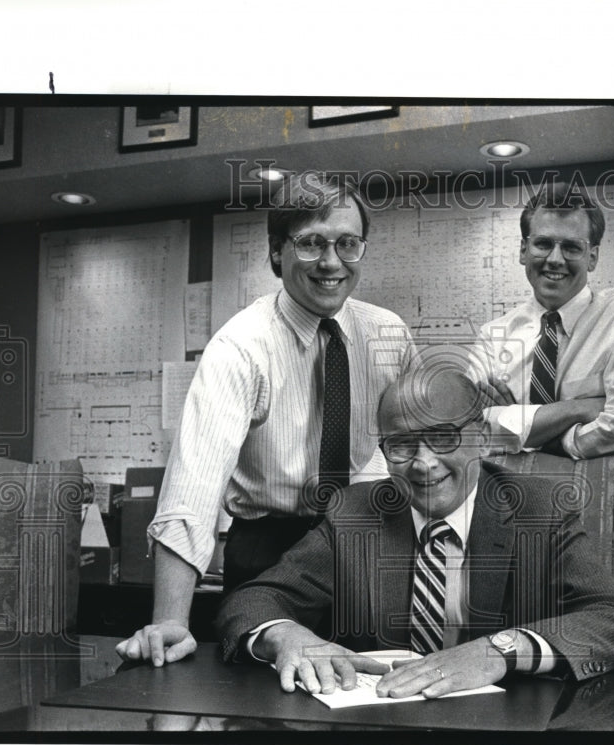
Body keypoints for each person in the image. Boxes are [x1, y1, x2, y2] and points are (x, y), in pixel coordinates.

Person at [116, 172, 413, 666]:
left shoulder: (389, 333)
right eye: (311, 243)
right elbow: (195, 487)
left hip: (365, 540)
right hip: (270, 548)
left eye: (347, 244)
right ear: (277, 251)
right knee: (268, 703)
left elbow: (414, 448)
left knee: (373, 688)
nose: (331, 262)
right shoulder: (241, 347)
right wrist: (171, 620)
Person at [216, 369, 614, 698]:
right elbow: (253, 600)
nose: (423, 463)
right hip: (380, 736)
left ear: (481, 437)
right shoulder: (354, 514)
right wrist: (284, 634)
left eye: (442, 438)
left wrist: (498, 650)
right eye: (402, 445)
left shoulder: (539, 511)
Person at [470, 182, 614, 571]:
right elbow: (471, 433)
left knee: (603, 629)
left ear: (592, 256)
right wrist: (578, 409)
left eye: (572, 247)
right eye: (543, 244)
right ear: (523, 250)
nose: (555, 259)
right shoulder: (494, 336)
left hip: (603, 513)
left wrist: (525, 429)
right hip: (509, 520)